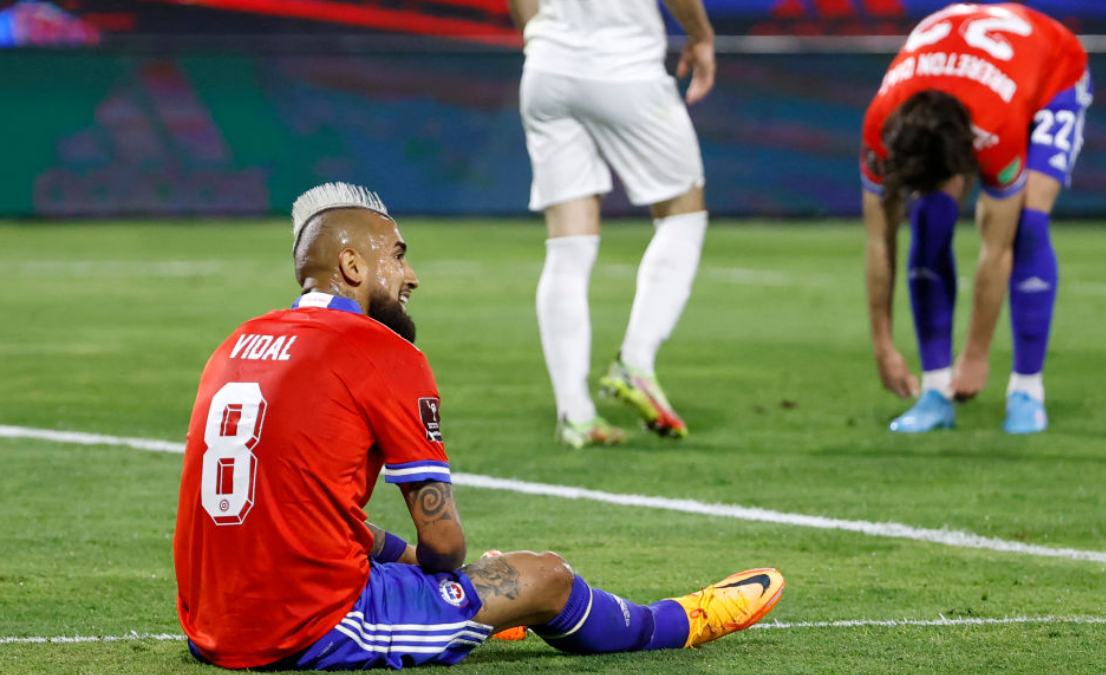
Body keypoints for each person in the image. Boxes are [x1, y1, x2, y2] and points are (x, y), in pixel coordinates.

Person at [172, 182, 784, 670]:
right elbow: (446, 546)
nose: (412, 276)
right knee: (545, 576)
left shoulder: (236, 344)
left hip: (211, 626)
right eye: (398, 256)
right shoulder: (381, 351)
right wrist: (475, 578)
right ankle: (679, 621)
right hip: (310, 628)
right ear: (353, 265)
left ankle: (477, 609)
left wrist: (419, 565)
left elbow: (303, 514)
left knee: (422, 564)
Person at [860, 3, 1091, 433]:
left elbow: (997, 247)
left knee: (1028, 227)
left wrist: (976, 355)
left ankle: (1026, 390)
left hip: (1052, 69)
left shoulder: (996, 127)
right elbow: (878, 239)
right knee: (929, 219)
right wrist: (882, 345)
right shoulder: (881, 125)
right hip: (974, 74)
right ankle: (935, 392)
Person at [508, 0, 716, 447]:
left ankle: (575, 415)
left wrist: (538, 42)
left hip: (547, 71)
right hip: (624, 67)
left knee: (568, 246)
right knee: (684, 214)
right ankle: (636, 361)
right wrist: (700, 36)